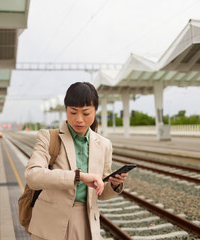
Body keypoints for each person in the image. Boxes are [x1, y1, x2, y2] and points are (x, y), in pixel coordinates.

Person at [25, 82, 128, 240]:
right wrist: (78, 176)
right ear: (66, 109)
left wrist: (113, 184)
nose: (79, 119)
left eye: (86, 113)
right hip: (50, 223)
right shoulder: (48, 137)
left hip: (85, 223)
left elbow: (100, 193)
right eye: (73, 112)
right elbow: (33, 176)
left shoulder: (104, 145)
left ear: (95, 111)